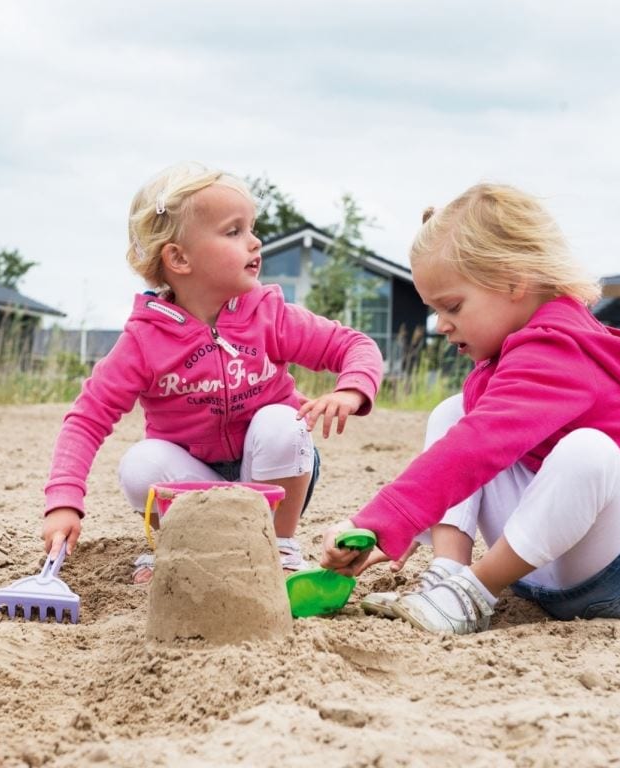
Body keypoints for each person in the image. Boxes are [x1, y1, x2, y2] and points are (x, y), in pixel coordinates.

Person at [320, 182, 620, 634]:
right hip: (540, 566)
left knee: (589, 450)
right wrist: (400, 529)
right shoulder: (510, 351)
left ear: (513, 280)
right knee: (454, 412)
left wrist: (384, 519)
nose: (441, 325)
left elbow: (479, 446)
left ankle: (470, 593)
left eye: (452, 306)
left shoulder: (560, 349)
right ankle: (449, 574)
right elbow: (472, 442)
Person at [42, 162, 383, 581]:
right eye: (234, 231)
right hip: (192, 480)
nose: (255, 242)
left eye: (251, 227)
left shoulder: (269, 315)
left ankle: (279, 548)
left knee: (282, 421)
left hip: (270, 476)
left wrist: (351, 390)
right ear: (179, 258)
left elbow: (354, 345)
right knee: (139, 464)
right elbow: (87, 418)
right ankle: (183, 548)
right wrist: (63, 500)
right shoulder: (145, 340)